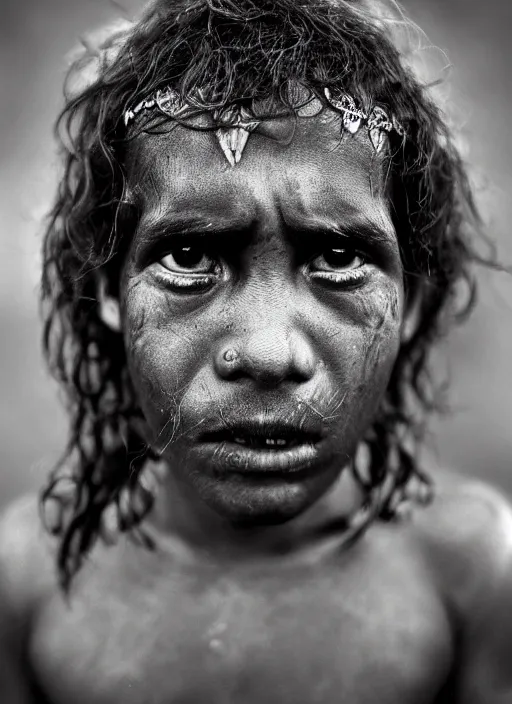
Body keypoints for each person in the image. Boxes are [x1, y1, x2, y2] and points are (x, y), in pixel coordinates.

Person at [1, 0, 511, 701]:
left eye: (337, 256)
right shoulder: (27, 579)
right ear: (109, 291)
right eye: (188, 255)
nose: (270, 351)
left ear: (416, 301)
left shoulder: (470, 572)